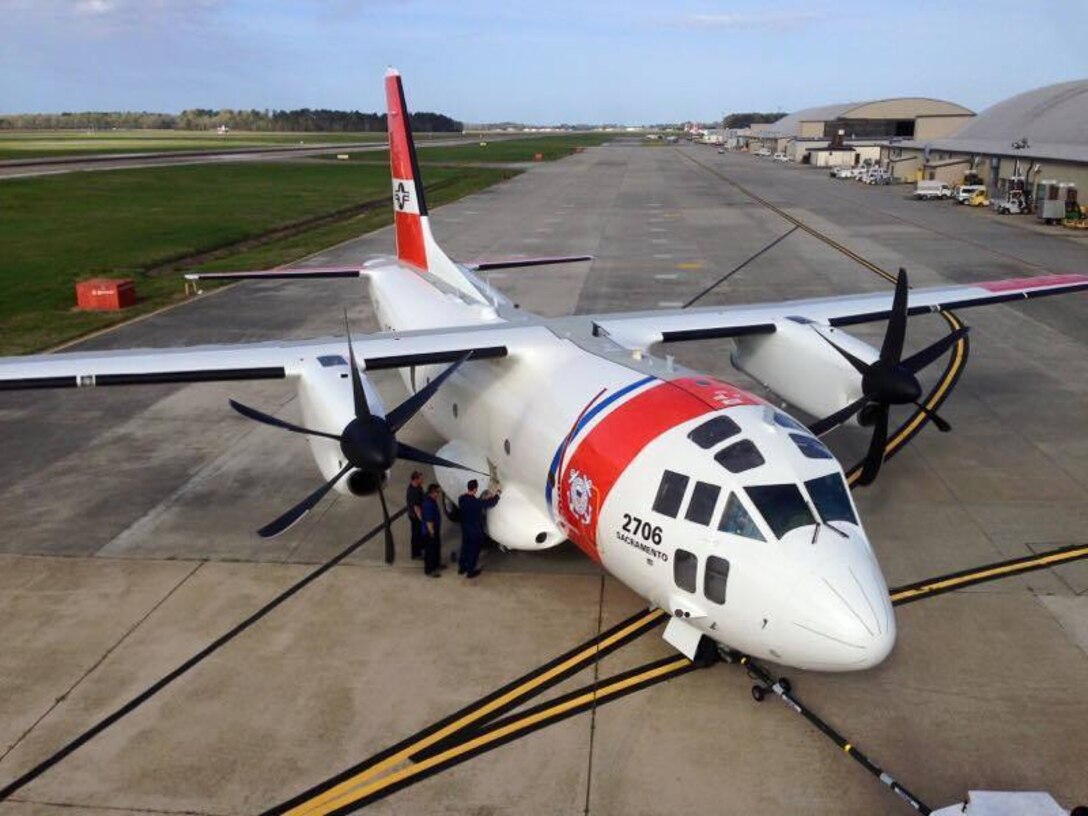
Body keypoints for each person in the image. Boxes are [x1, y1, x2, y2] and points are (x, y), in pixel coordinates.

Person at [457, 479, 500, 578]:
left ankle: (461, 568)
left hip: (465, 528)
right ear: (475, 489)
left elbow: (470, 500)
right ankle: (470, 571)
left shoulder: (462, 499)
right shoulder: (475, 502)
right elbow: (491, 503)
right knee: (473, 550)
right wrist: (497, 494)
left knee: (465, 548)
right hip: (474, 530)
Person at [421, 483, 443, 577]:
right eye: (437, 492)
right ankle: (429, 570)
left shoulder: (431, 500)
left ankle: (436, 564)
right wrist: (432, 532)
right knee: (430, 551)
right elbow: (429, 521)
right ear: (432, 492)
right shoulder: (429, 504)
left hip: (434, 530)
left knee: (436, 548)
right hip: (430, 532)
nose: (439, 494)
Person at [406, 471, 424, 560]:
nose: (422, 480)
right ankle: (416, 554)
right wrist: (421, 519)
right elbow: (417, 508)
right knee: (416, 534)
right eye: (421, 478)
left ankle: (419, 549)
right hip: (415, 517)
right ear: (416, 479)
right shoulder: (413, 492)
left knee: (417, 534)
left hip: (415, 515)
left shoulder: (417, 487)